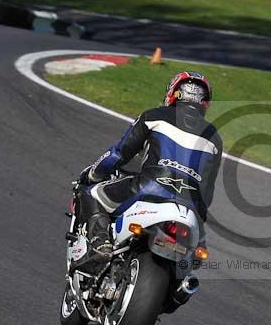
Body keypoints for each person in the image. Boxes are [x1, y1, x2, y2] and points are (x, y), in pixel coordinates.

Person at [73, 71, 223, 273]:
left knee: (91, 194)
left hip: (149, 187)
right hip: (190, 206)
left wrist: (92, 174)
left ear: (173, 93)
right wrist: (199, 223)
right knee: (193, 260)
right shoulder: (215, 138)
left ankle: (101, 244)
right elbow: (207, 189)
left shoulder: (154, 116)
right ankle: (181, 284)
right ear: (205, 103)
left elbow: (118, 154)